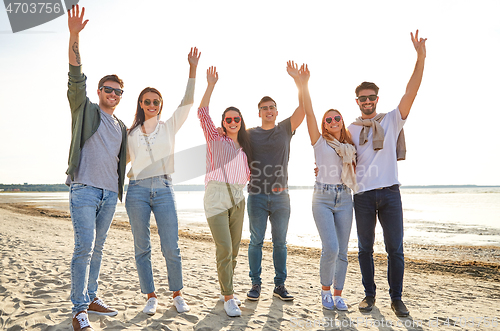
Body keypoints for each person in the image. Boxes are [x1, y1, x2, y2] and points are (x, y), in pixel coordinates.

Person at [348, 30, 427, 317]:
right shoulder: (351, 129)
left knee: (395, 249)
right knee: (365, 249)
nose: (367, 101)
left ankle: (396, 298)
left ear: (377, 99)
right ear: (357, 101)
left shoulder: (392, 119)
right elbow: (338, 156)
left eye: (371, 97)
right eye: (362, 98)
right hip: (363, 196)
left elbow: (412, 91)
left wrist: (420, 57)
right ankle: (369, 296)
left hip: (391, 193)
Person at [125, 48, 200, 316]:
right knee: (142, 245)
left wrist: (192, 68)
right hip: (137, 191)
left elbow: (188, 102)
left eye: (156, 101)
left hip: (165, 188)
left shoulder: (169, 125)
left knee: (171, 245)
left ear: (160, 104)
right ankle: (151, 296)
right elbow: (119, 162)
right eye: (147, 101)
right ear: (141, 104)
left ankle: (177, 294)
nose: (152, 105)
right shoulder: (130, 133)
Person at [66, 5, 127, 331]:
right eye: (108, 89)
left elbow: (123, 158)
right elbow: (76, 75)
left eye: (118, 91)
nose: (112, 94)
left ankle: (90, 296)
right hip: (85, 189)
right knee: (84, 248)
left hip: (109, 194)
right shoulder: (85, 109)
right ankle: (78, 310)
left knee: (98, 248)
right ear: (99, 91)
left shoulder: (120, 126)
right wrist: (74, 36)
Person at [246, 61, 306, 301]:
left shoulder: (284, 129)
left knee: (280, 243)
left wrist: (297, 81)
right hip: (257, 196)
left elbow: (303, 108)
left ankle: (279, 286)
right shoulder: (249, 134)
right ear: (259, 112)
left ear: (277, 111)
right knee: (256, 242)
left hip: (282, 196)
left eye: (272, 107)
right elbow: (229, 137)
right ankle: (255, 284)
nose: (268, 110)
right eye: (264, 108)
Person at [300, 65, 357, 310]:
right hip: (322, 197)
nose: (333, 121)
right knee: (331, 247)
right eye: (328, 119)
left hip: (345, 197)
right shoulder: (319, 142)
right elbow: (310, 114)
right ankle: (325, 291)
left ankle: (338, 294)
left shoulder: (350, 146)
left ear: (342, 121)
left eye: (337, 118)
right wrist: (303, 84)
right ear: (324, 125)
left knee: (343, 251)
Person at [197, 66, 252, 317]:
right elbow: (202, 112)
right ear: (222, 123)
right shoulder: (215, 139)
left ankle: (225, 290)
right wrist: (211, 84)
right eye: (227, 119)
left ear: (241, 122)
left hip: (239, 197)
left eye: (236, 119)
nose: (231, 122)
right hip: (216, 196)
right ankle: (229, 297)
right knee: (224, 248)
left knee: (235, 249)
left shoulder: (248, 146)